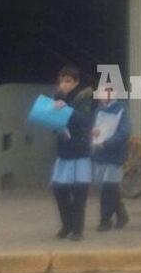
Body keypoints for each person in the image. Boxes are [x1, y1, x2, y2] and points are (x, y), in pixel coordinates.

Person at [51, 64, 95, 241]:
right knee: (59, 188)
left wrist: (66, 109)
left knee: (79, 191)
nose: (64, 84)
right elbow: (53, 124)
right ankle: (67, 224)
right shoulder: (57, 98)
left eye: (68, 81)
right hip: (64, 150)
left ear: (76, 82)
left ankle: (77, 229)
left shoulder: (84, 98)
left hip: (80, 150)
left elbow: (85, 121)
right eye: (62, 80)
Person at [91, 92, 131, 232]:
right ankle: (121, 214)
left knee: (109, 187)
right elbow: (94, 127)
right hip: (100, 153)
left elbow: (125, 132)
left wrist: (107, 143)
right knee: (108, 186)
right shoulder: (99, 109)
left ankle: (105, 220)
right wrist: (93, 133)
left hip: (114, 154)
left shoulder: (121, 109)